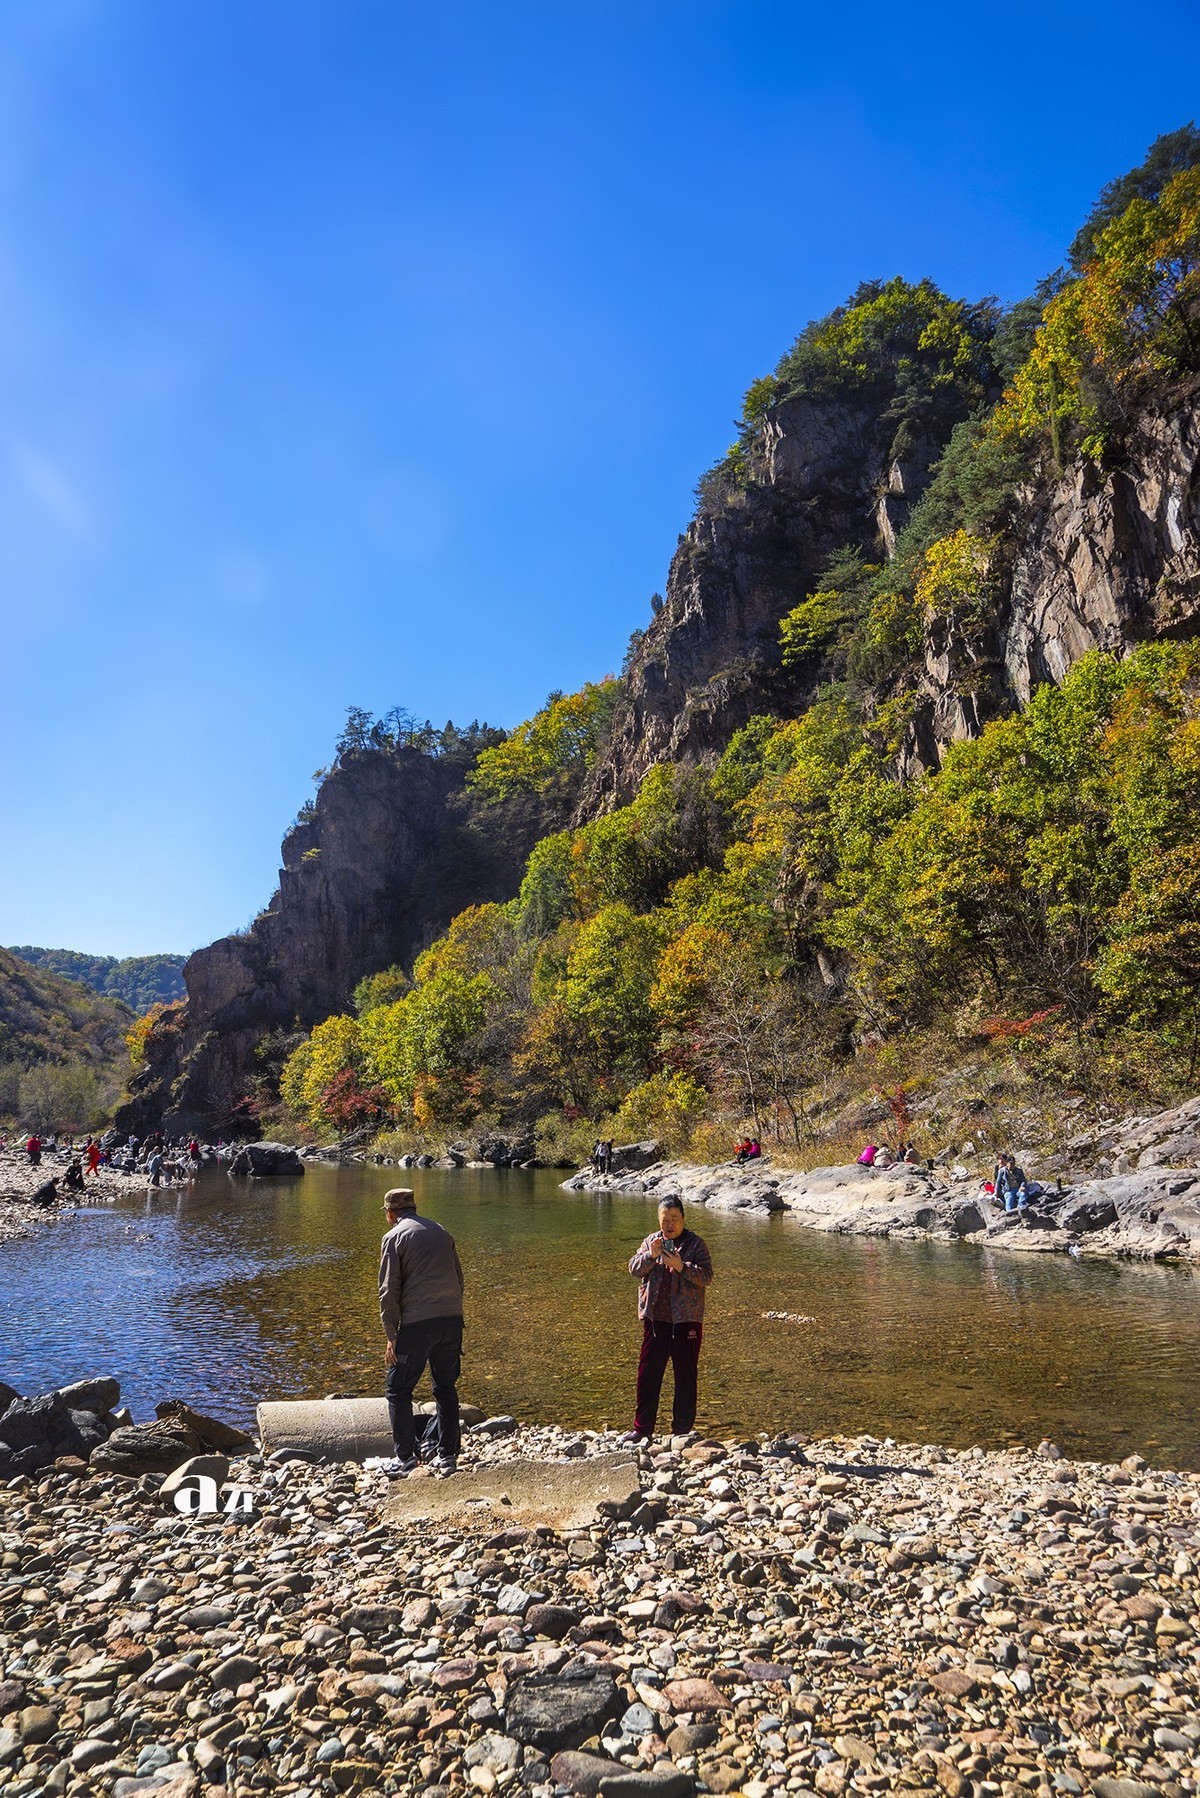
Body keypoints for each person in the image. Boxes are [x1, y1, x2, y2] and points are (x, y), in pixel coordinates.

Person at [378, 1187, 465, 1478]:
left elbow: (389, 1291)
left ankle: (404, 1458)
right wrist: (453, 1312)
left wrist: (392, 1335)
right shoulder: (441, 1231)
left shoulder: (394, 1237)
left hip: (417, 1325)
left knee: (398, 1389)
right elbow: (458, 1276)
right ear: (413, 1207)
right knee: (445, 1388)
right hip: (451, 1320)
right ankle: (447, 1455)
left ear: (391, 1213)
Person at [624, 1197, 713, 1443]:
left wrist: (681, 1266)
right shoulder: (651, 1242)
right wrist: (650, 1256)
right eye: (665, 1220)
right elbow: (633, 1268)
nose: (670, 1224)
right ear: (659, 1220)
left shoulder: (696, 1244)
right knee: (647, 1375)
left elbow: (707, 1277)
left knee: (685, 1376)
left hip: (687, 1321)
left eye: (675, 1219)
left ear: (683, 1219)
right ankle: (642, 1430)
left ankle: (681, 1431)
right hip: (655, 1321)